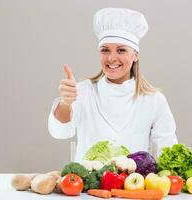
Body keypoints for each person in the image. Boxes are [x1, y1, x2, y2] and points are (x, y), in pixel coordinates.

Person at [48, 7, 178, 162]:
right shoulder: (83, 91)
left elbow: (167, 149)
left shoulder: (154, 99)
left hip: (133, 184)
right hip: (87, 184)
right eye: (105, 50)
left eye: (121, 50)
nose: (111, 58)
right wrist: (65, 103)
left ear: (135, 55)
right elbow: (60, 133)